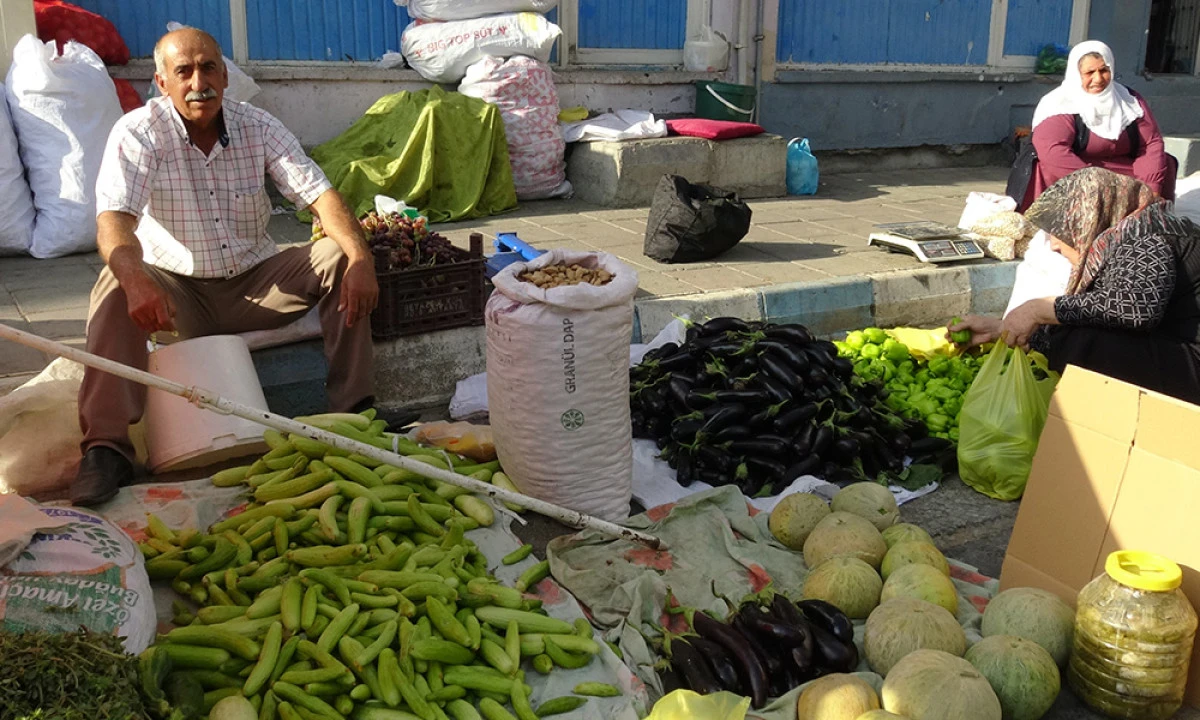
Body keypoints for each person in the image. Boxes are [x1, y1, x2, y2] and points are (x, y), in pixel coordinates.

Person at [73, 27, 393, 507]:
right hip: (178, 292)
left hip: (256, 284)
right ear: (162, 83)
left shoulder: (257, 125)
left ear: (225, 75)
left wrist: (362, 257)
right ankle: (106, 448)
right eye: (183, 71)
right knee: (115, 286)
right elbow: (114, 222)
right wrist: (138, 280)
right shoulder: (140, 133)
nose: (197, 81)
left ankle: (356, 414)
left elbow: (320, 196)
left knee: (337, 256)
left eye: (208, 68)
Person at [952, 167, 1200, 405]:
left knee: (1086, 341)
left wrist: (1038, 309)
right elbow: (1101, 311)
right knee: (1077, 331)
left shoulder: (1147, 240)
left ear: (1090, 219)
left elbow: (1133, 308)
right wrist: (1003, 330)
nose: (1054, 245)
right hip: (1178, 355)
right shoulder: (1130, 235)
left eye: (1064, 230)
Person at [1017, 40, 1175, 211]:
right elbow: (1054, 152)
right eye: (1089, 72)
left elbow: (1151, 143)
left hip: (1122, 173)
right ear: (1076, 74)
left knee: (1164, 161)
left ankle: (1150, 214)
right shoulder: (1058, 104)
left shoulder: (1129, 100)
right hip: (1079, 176)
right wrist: (1100, 186)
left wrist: (1150, 189)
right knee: (1044, 167)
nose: (1098, 79)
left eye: (1104, 70)